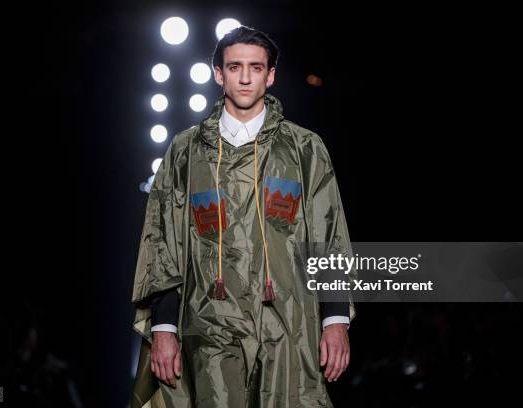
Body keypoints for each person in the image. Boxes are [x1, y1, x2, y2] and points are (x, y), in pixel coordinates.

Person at [131, 26, 357, 408]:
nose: (246, 77)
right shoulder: (186, 151)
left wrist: (335, 320)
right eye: (235, 67)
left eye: (256, 67)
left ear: (271, 75)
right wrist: (164, 327)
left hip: (288, 321)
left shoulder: (304, 148)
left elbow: (329, 233)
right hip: (208, 321)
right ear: (218, 73)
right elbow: (162, 240)